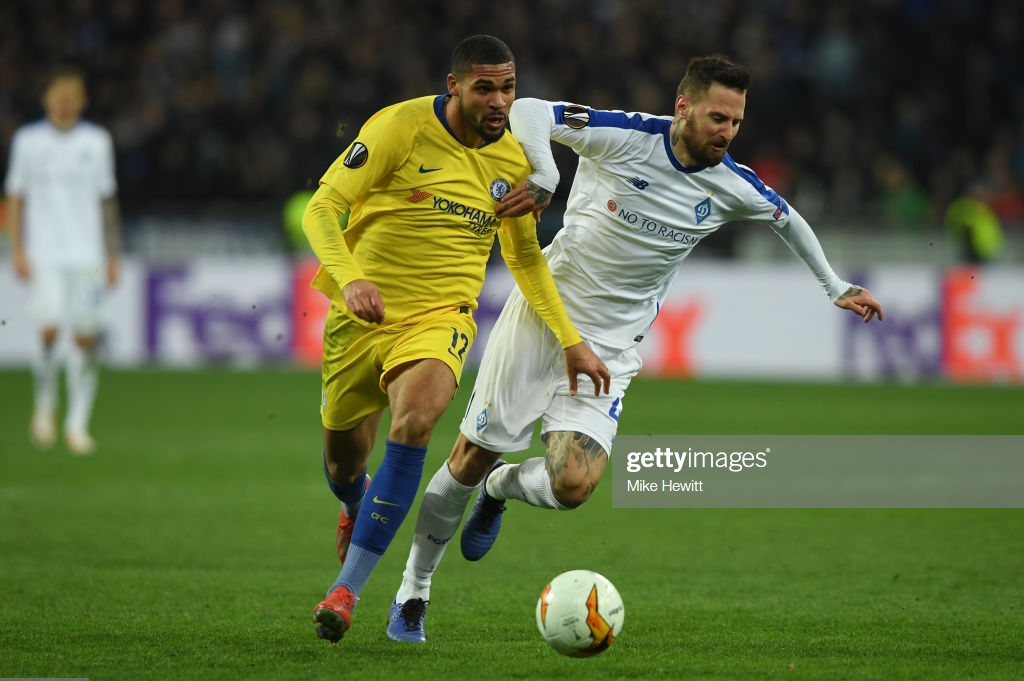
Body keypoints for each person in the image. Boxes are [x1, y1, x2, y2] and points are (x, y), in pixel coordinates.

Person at [386, 55, 885, 642]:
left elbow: (788, 220)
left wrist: (835, 285)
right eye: (717, 117)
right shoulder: (626, 136)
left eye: (736, 122)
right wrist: (545, 175)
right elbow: (528, 111)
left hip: (612, 347)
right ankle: (413, 591)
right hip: (543, 317)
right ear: (683, 106)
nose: (726, 132)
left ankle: (502, 490)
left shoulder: (731, 185)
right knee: (470, 456)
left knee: (572, 486)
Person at [302, 34, 610, 645]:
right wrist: (352, 276)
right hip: (360, 317)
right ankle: (351, 501)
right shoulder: (400, 127)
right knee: (343, 465)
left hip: (441, 319)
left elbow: (525, 262)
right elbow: (321, 207)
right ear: (455, 87)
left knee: (417, 421)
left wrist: (571, 339)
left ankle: (349, 591)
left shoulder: (514, 163)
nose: (500, 101)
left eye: (509, 88)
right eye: (486, 87)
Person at [4, 65, 121, 455]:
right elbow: (15, 197)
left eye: (73, 94)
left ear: (83, 101)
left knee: (85, 337)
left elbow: (107, 201)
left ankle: (77, 424)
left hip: (87, 252)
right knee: (50, 330)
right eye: (59, 93)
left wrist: (113, 254)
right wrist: (16, 249)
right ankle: (45, 404)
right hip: (45, 254)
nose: (65, 100)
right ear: (47, 99)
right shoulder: (28, 141)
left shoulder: (97, 141)